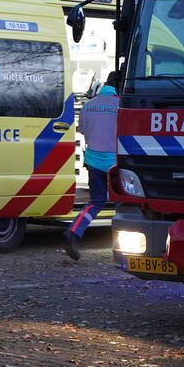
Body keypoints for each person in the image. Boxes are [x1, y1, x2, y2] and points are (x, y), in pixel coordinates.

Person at [61, 69, 121, 261]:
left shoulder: (89, 105)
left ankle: (73, 232)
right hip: (116, 164)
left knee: (96, 202)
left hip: (94, 161)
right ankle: (122, 246)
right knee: (124, 204)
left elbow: (83, 131)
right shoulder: (122, 105)